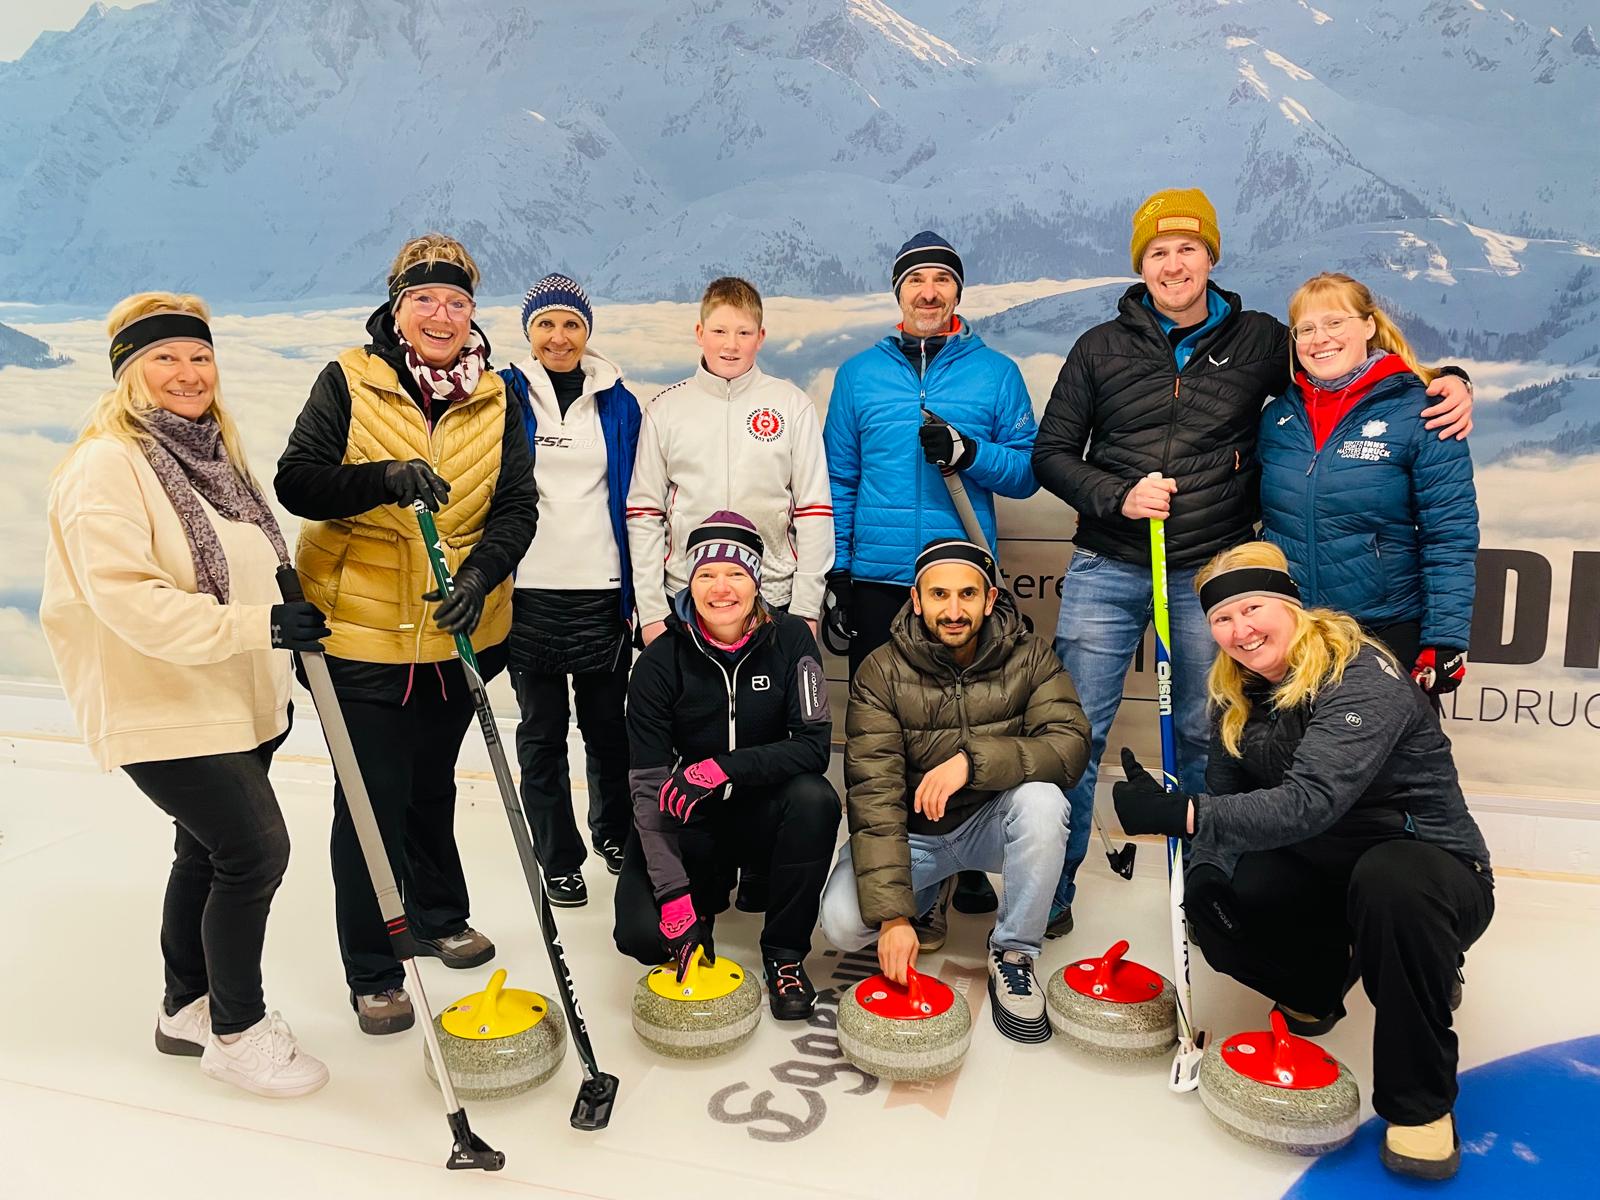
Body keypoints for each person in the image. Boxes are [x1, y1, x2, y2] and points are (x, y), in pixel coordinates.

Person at [1032, 188, 1475, 937]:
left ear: (1211, 256)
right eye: (1157, 252)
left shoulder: (1264, 340)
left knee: (1213, 735)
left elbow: (1348, 380)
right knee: (1074, 731)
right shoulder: (1098, 347)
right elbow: (1050, 454)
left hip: (1210, 578)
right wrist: (1117, 496)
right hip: (1108, 564)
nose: (1174, 264)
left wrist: (1450, 378)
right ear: (1140, 265)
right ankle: (1052, 887)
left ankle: (1210, 885)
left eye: (1188, 248)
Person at [1111, 541, 1493, 1181]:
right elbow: (1229, 798)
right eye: (1222, 618)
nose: (1240, 630)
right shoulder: (1236, 691)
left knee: (1392, 888)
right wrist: (1204, 873)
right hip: (1324, 866)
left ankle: (1421, 1104)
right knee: (1222, 897)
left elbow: (1309, 802)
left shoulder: (1360, 672)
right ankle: (1316, 987)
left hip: (1424, 868)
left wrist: (1182, 814)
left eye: (1252, 608)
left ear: (1292, 606)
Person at [41, 292, 329, 1097]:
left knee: (204, 851)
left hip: (229, 699)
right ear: (129, 372)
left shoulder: (210, 455)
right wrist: (261, 626)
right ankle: (238, 1032)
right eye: (164, 357)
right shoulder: (109, 463)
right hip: (162, 701)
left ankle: (186, 1008)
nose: (188, 372)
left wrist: (284, 626)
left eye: (200, 356)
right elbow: (129, 600)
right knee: (254, 851)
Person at [275, 233, 538, 1035]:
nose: (441, 314)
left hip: (458, 635)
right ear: (397, 308)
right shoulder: (348, 380)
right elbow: (297, 482)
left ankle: (436, 916)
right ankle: (374, 968)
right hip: (360, 636)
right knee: (371, 801)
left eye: (457, 300)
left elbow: (517, 507)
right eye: (424, 299)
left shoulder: (497, 395)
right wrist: (383, 480)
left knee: (431, 786)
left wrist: (479, 579)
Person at [822, 231, 1041, 922]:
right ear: (898, 293)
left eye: (941, 280)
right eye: (915, 280)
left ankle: (967, 859)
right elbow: (840, 479)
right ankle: (899, 864)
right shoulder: (858, 375)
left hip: (962, 581)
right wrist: (840, 572)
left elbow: (1027, 471)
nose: (928, 291)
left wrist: (969, 452)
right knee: (885, 733)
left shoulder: (997, 373)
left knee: (972, 719)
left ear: (957, 292)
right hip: (880, 578)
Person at [818, 538, 1089, 1044]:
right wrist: (893, 916)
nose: (954, 610)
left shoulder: (1030, 656)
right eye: (939, 595)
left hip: (991, 823)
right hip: (917, 836)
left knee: (1043, 802)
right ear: (917, 601)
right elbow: (875, 797)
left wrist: (971, 762)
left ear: (989, 600)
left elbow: (1070, 746)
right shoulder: (880, 671)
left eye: (968, 594)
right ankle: (924, 895)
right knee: (843, 925)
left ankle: (1014, 953)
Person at [613, 512, 840, 1020]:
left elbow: (813, 748)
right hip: (689, 818)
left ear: (757, 581)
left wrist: (723, 768)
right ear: (688, 583)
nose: (721, 588)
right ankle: (700, 911)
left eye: (736, 573)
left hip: (761, 810)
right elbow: (648, 787)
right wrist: (673, 896)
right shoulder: (658, 661)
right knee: (641, 936)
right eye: (707, 574)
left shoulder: (793, 640)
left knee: (816, 799)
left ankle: (784, 955)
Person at [1260, 271, 1478, 696]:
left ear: (1368, 326)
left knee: (1394, 739)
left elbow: (1450, 533)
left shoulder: (1424, 410)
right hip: (1297, 629)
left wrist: (1445, 640)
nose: (1320, 339)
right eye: (1306, 329)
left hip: (1385, 627)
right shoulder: (1278, 417)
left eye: (1335, 322)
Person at [499, 274, 641, 906]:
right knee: (542, 733)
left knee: (609, 728)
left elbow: (639, 495)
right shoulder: (503, 394)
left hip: (600, 588)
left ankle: (613, 832)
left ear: (588, 331)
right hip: (527, 588)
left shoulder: (619, 402)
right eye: (546, 324)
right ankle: (558, 858)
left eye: (571, 324)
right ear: (528, 332)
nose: (559, 337)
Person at [626, 275, 833, 645]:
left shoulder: (792, 405)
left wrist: (806, 608)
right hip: (686, 595)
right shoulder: (665, 409)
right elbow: (644, 514)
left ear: (761, 336)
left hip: (773, 594)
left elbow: (814, 511)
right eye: (719, 331)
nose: (731, 345)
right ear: (700, 332)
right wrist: (653, 610)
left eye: (744, 333)